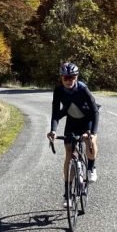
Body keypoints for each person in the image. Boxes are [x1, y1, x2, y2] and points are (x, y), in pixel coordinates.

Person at [47, 61, 99, 207]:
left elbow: (95, 111)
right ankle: (68, 194)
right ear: (61, 78)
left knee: (91, 142)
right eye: (66, 78)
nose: (69, 81)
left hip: (88, 120)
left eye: (72, 77)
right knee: (69, 155)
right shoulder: (58, 90)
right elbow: (56, 113)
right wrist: (53, 130)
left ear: (76, 77)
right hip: (72, 121)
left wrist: (92, 133)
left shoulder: (83, 89)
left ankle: (91, 168)